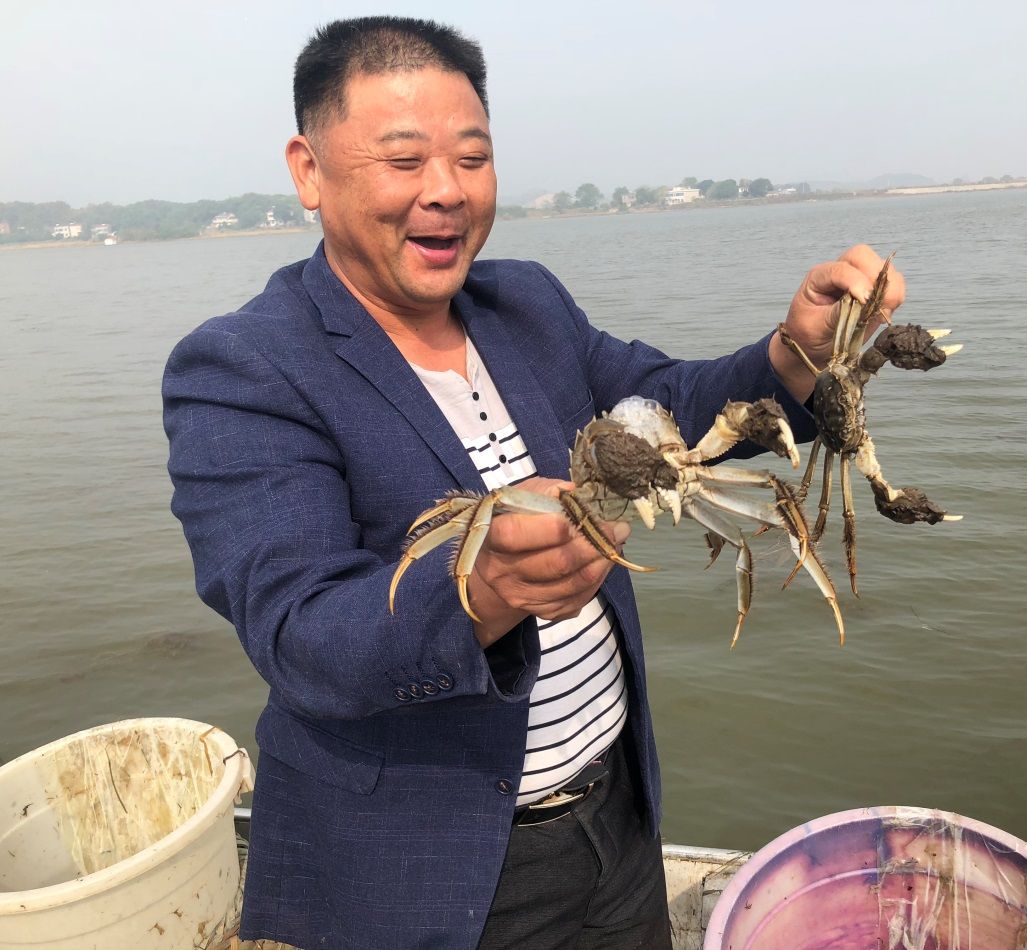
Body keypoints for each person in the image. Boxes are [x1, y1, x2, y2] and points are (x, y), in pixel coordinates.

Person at [163, 15, 905, 950]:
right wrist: (481, 592)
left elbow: (664, 407)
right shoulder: (244, 367)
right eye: (404, 159)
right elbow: (298, 629)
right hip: (431, 866)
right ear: (308, 171)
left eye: (472, 158)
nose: (446, 190)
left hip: (614, 817)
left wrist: (795, 351)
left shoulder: (525, 302)